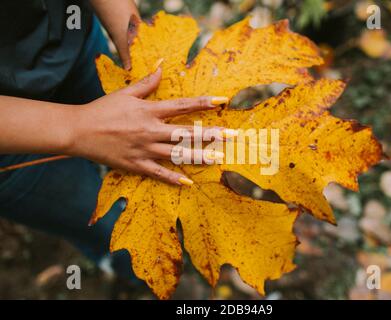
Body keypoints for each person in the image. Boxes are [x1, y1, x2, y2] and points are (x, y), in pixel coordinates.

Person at [0, 0, 229, 279]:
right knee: (107, 224)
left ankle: (195, 244)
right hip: (11, 145)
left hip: (74, 42)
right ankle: (151, 278)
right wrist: (79, 127)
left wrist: (140, 54)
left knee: (162, 169)